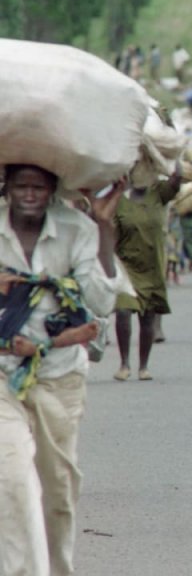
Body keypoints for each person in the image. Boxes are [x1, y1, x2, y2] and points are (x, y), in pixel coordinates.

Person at [0, 164, 129, 576]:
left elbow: (101, 302)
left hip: (59, 374)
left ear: (53, 189)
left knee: (57, 492)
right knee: (15, 481)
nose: (30, 195)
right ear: (7, 188)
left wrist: (105, 230)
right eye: (21, 186)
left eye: (38, 187)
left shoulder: (76, 229)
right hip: (4, 373)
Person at [113, 171, 182, 382]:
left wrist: (163, 155)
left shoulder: (159, 194)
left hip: (152, 265)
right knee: (123, 311)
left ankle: (144, 366)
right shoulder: (119, 202)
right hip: (127, 266)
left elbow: (178, 178)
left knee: (148, 318)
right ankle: (124, 363)